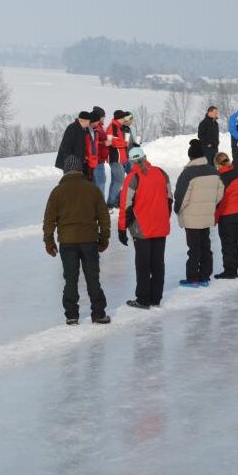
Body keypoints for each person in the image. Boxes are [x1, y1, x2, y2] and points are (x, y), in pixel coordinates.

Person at [42, 155, 112, 326]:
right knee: (92, 278)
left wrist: (49, 241)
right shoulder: (92, 189)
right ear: (80, 170)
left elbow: (49, 220)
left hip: (67, 243)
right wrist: (104, 238)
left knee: (71, 279)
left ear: (65, 171)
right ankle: (98, 314)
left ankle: (72, 315)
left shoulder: (57, 192)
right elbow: (104, 217)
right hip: (89, 241)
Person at [117, 147, 173, 309]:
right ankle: (156, 297)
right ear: (145, 157)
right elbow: (169, 198)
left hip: (141, 228)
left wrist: (122, 229)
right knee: (157, 262)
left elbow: (125, 206)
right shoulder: (161, 173)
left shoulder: (132, 177)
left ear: (130, 161)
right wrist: (164, 218)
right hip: (160, 224)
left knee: (143, 263)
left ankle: (143, 298)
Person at [174, 139, 225, 287]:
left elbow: (181, 197)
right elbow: (220, 193)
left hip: (191, 218)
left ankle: (192, 278)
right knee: (205, 246)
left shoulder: (187, 173)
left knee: (194, 248)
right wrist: (210, 205)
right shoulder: (214, 172)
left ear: (190, 157)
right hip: (207, 216)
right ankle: (204, 276)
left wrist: (178, 209)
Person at [214, 152, 238, 279]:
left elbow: (221, 202)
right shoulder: (237, 173)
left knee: (228, 243)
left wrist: (215, 218)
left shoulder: (222, 178)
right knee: (236, 242)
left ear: (217, 164)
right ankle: (234, 268)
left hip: (228, 215)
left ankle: (230, 271)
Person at [105, 110, 130, 208]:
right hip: (115, 159)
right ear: (119, 118)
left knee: (115, 180)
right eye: (123, 117)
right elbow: (112, 142)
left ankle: (113, 201)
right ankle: (111, 202)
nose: (124, 119)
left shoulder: (119, 127)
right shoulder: (113, 127)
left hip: (120, 158)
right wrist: (124, 143)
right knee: (119, 180)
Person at [91, 107, 109, 196]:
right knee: (100, 182)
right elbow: (93, 143)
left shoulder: (100, 127)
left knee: (99, 182)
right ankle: (99, 205)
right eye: (103, 117)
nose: (104, 118)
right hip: (97, 160)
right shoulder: (95, 128)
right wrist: (104, 143)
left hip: (100, 160)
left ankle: (97, 205)